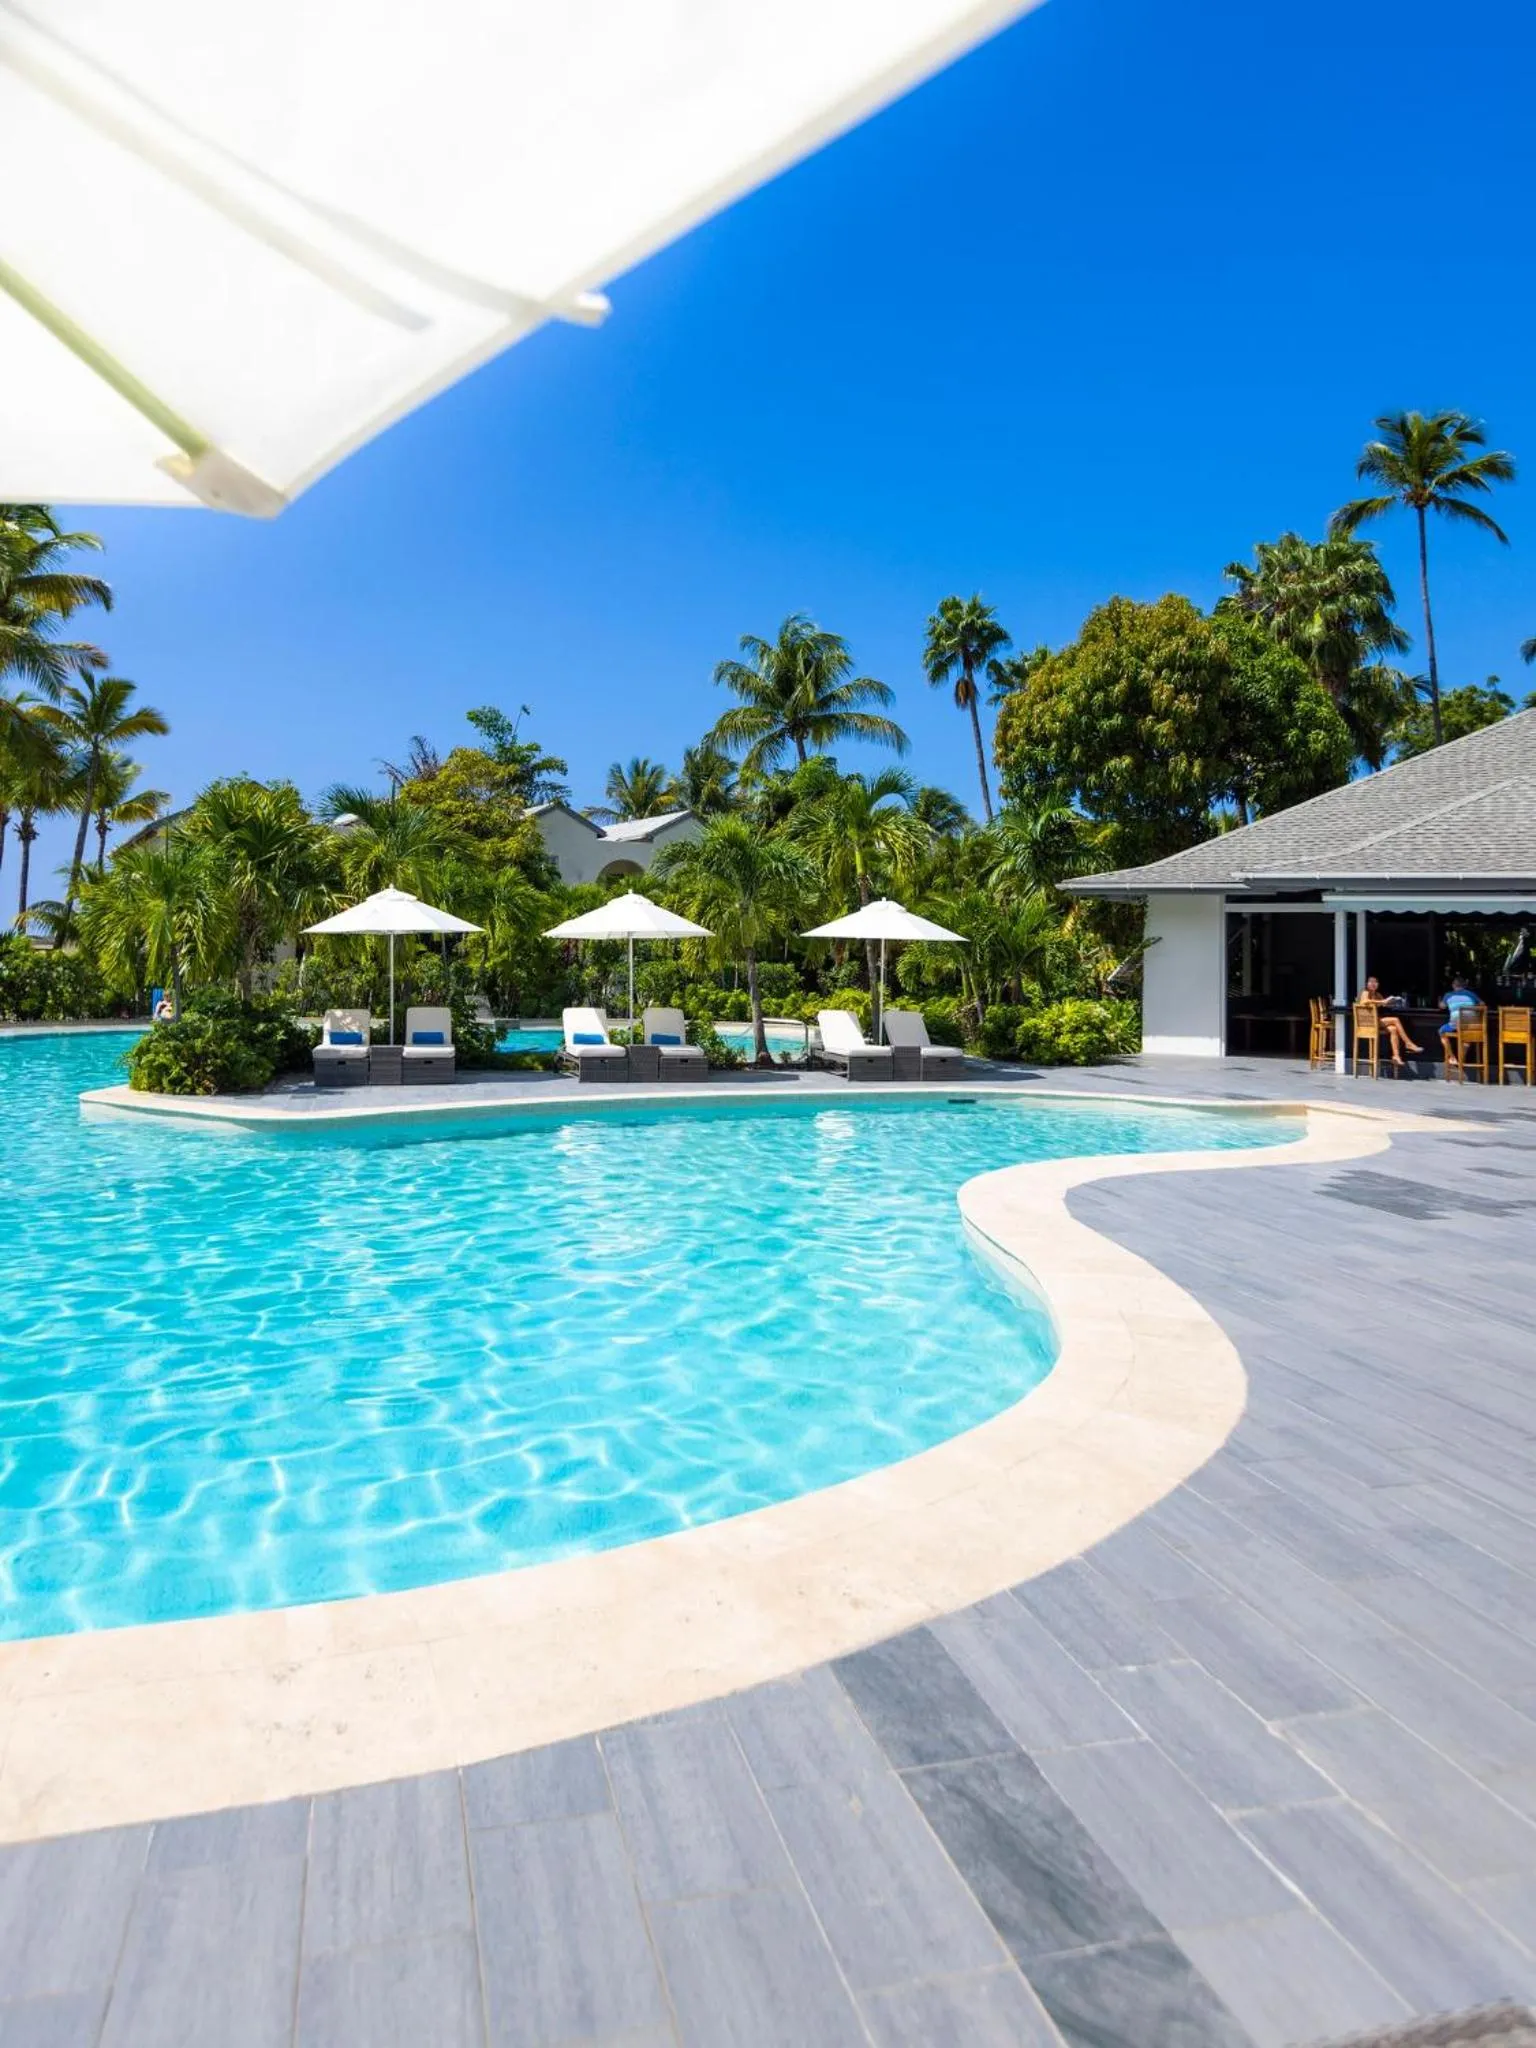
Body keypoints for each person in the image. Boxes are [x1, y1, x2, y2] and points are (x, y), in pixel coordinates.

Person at [1358, 975, 1421, 1067]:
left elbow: (1384, 1004)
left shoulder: (1378, 995)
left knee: (1393, 1029)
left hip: (1376, 1022)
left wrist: (1391, 1002)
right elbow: (1364, 1002)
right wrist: (1382, 1002)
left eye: (1375, 982)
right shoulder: (1365, 992)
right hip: (1368, 1023)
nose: (1373, 984)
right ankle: (1408, 1043)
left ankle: (1396, 1056)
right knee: (1395, 1020)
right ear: (1367, 984)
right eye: (1371, 982)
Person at [1438, 976, 1482, 1069]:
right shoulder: (1471, 994)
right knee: (1467, 1037)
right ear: (1464, 986)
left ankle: (1453, 1057)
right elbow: (1482, 1005)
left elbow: (1442, 1006)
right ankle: (1461, 1060)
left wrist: (1439, 1001)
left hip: (1455, 1023)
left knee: (1441, 1031)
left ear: (1453, 985)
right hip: (1471, 1024)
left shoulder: (1448, 995)